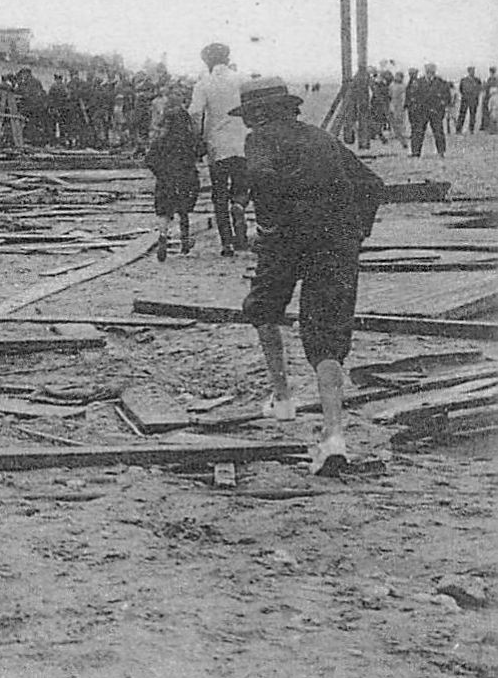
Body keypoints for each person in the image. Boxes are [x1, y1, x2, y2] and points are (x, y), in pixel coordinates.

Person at [234, 77, 384, 476]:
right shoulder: (322, 139)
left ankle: (282, 398)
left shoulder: (261, 139)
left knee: (263, 308)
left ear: (257, 114)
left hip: (286, 241)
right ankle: (334, 436)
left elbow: (263, 181)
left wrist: (264, 229)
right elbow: (372, 185)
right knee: (326, 335)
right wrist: (355, 232)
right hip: (335, 243)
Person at [188, 42, 249, 256]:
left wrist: (197, 137)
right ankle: (240, 211)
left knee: (219, 194)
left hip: (217, 145)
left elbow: (195, 113)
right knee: (242, 187)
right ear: (227, 57)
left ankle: (227, 243)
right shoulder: (241, 79)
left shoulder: (203, 83)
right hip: (241, 142)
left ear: (207, 61)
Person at [147, 86, 203, 262]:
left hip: (165, 179)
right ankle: (185, 240)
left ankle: (163, 236)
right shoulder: (189, 140)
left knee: (164, 211)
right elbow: (200, 152)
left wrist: (160, 173)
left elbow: (150, 159)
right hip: (186, 177)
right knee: (184, 210)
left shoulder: (161, 142)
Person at [406, 62, 450, 158]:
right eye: (428, 71)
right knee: (418, 131)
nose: (430, 73)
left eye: (432, 71)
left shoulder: (440, 83)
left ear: (434, 71)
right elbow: (413, 96)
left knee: (438, 131)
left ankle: (441, 151)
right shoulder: (418, 82)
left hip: (435, 111)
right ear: (426, 71)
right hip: (422, 111)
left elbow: (446, 96)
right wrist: (416, 108)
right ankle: (415, 152)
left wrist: (441, 108)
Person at [456, 66, 483, 134]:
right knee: (462, 114)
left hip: (473, 100)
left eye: (473, 71)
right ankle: (459, 129)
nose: (472, 72)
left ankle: (471, 129)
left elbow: (479, 89)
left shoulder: (477, 80)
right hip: (465, 99)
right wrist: (465, 95)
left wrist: (476, 96)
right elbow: (461, 89)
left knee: (473, 115)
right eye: (471, 71)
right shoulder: (464, 80)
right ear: (468, 72)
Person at [388, 71, 409, 146]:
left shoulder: (403, 86)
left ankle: (402, 138)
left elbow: (404, 97)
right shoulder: (392, 85)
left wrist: (403, 105)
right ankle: (398, 135)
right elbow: (389, 96)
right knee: (394, 122)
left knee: (399, 122)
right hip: (394, 105)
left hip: (400, 106)